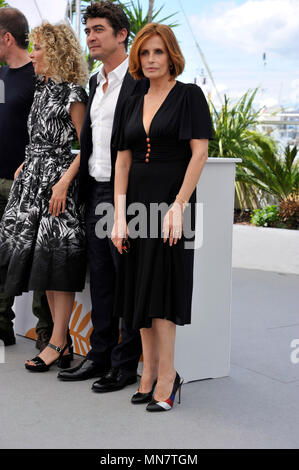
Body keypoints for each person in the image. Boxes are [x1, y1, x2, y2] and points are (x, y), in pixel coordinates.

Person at [111, 23, 214, 411]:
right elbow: (122, 162)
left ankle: (169, 377)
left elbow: (199, 154)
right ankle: (148, 371)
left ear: (171, 56)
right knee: (138, 288)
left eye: (158, 52)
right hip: (134, 204)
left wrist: (179, 205)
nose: (150, 60)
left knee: (162, 291)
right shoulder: (132, 100)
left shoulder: (189, 96)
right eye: (144, 53)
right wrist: (118, 217)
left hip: (172, 205)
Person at [58, 1, 148, 391]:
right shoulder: (95, 81)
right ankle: (99, 357)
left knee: (127, 280)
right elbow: (90, 140)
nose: (91, 37)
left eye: (98, 30)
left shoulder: (142, 79)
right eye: (89, 30)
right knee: (103, 281)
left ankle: (125, 365)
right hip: (95, 191)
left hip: (128, 194)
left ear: (121, 34)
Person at [0, 21, 89, 372]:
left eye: (38, 48)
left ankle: (57, 341)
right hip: (33, 178)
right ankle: (58, 341)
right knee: (40, 262)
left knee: (56, 263)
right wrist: (28, 160)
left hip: (57, 185)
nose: (32, 53)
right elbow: (40, 137)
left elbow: (86, 146)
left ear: (54, 52)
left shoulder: (73, 93)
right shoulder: (42, 89)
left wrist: (65, 182)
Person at [0, 7, 53, 352]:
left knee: (34, 257)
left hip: (27, 184)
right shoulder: (0, 76)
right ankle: (2, 324)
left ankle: (47, 333)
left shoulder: (40, 78)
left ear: (6, 38)